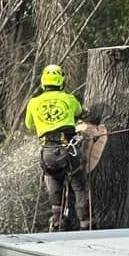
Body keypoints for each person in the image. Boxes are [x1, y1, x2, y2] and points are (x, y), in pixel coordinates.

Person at [24, 64, 91, 230]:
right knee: (79, 185)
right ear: (61, 81)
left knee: (54, 181)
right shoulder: (69, 99)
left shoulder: (33, 102)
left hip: (47, 152)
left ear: (43, 82)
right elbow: (80, 112)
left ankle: (57, 220)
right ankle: (86, 223)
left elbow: (29, 124)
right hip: (68, 149)